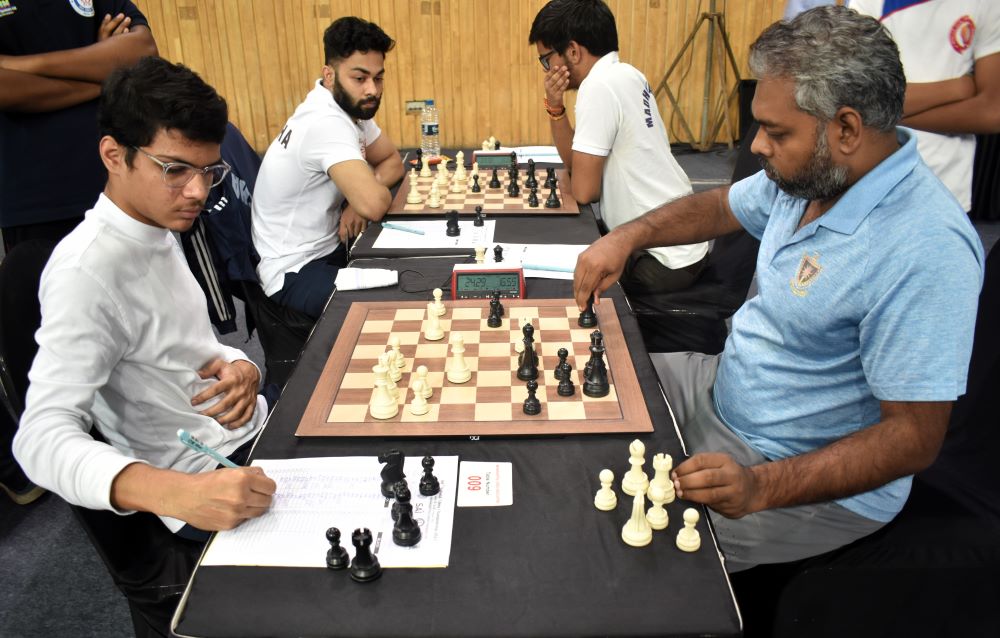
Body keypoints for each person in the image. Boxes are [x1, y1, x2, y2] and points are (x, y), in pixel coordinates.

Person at [573, 5, 984, 572]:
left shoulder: (925, 246)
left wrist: (761, 486)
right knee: (578, 400)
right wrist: (627, 236)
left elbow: (913, 437)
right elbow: (722, 206)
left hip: (792, 470)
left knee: (619, 556)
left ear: (846, 128)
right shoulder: (812, 175)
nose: (758, 146)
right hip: (721, 385)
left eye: (776, 131)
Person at [13, 57, 276, 538]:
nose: (198, 192)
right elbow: (40, 438)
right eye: (175, 169)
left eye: (209, 171)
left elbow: (188, 347)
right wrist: (178, 495)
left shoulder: (157, 227)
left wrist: (244, 368)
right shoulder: (84, 273)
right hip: (205, 475)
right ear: (114, 155)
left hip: (249, 426)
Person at [528, 0, 708, 294]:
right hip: (685, 245)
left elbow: (584, 192)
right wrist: (555, 106)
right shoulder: (628, 73)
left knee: (554, 285)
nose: (547, 70)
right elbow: (575, 165)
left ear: (573, 51)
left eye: (547, 60)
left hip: (661, 261)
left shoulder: (598, 86)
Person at [251, 16, 404, 318]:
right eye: (359, 78)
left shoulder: (347, 106)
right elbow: (375, 204)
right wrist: (363, 199)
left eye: (378, 78)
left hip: (327, 246)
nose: (372, 90)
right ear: (329, 75)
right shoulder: (325, 121)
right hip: (293, 270)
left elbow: (392, 162)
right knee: (394, 305)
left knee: (412, 270)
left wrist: (358, 201)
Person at [0, 1, 158, 250]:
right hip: (36, 203)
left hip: (122, 186)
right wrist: (103, 70)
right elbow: (7, 90)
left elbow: (143, 51)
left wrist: (20, 64)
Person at [849, 0, 1000, 212]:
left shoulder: (988, 4)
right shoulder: (869, 3)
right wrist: (956, 88)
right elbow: (858, 96)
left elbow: (992, 114)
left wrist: (883, 113)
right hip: (876, 178)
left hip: (947, 185)